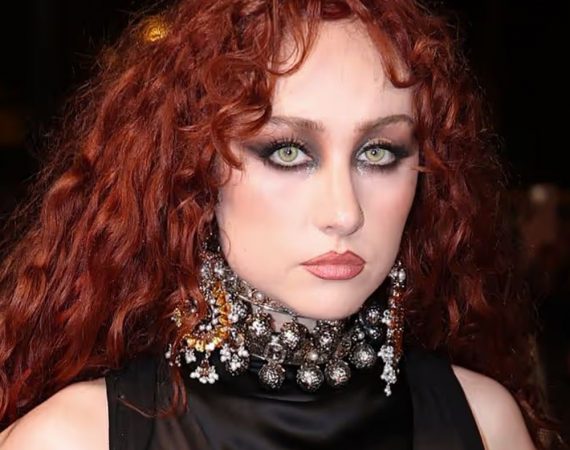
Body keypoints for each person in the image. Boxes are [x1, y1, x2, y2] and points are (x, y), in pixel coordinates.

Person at [0, 0, 562, 449]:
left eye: (379, 152)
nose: (344, 213)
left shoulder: (485, 424)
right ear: (195, 171)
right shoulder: (73, 438)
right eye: (288, 152)